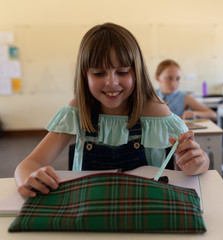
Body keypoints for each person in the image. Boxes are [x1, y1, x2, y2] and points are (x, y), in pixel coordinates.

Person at [15, 23, 210, 198]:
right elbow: (29, 164)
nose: (111, 82)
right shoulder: (78, 109)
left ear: (137, 71)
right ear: (85, 76)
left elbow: (201, 161)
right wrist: (29, 177)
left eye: (123, 72)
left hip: (146, 205)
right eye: (99, 73)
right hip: (90, 208)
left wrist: (197, 162)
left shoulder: (156, 111)